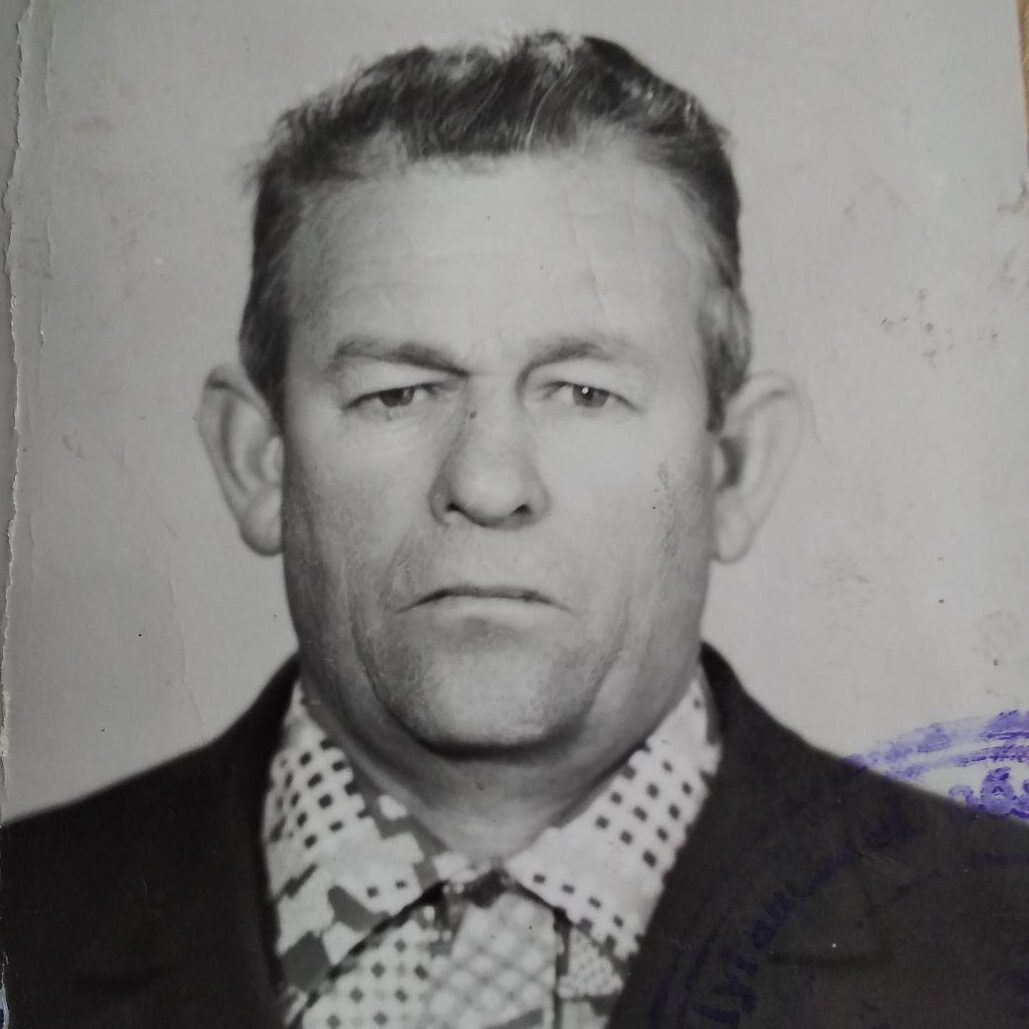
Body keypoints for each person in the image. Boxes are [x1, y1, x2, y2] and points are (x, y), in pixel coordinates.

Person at [3, 32, 1028, 1029]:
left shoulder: (998, 941)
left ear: (734, 468)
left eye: (583, 391)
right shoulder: (26, 916)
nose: (489, 485)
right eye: (398, 392)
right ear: (257, 459)